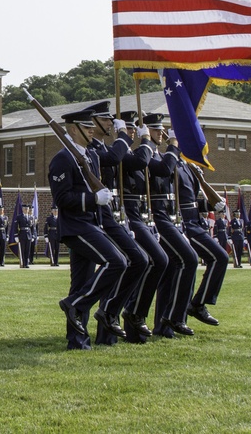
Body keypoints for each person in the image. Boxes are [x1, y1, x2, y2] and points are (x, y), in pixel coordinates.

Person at [48, 102, 132, 350]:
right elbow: (62, 199)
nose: (92, 130)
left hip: (91, 224)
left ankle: (77, 341)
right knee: (117, 262)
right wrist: (93, 199)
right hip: (75, 227)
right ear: (73, 130)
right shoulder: (62, 159)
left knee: (81, 282)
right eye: (86, 126)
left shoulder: (91, 155)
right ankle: (77, 304)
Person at [97, 109, 158, 344]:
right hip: (115, 214)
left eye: (135, 128)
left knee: (137, 264)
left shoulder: (122, 150)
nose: (132, 132)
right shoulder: (118, 151)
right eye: (129, 128)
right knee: (124, 265)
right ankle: (111, 325)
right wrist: (145, 140)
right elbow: (141, 161)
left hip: (130, 214)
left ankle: (122, 321)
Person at [148, 127, 199, 338]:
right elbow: (163, 169)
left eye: (162, 130)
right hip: (156, 218)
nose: (161, 133)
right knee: (188, 259)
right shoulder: (146, 156)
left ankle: (164, 325)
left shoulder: (161, 155)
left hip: (170, 217)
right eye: (155, 129)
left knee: (171, 270)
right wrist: (173, 147)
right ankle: (174, 316)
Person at [179, 160, 229, 328]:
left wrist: (210, 204)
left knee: (219, 258)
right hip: (185, 225)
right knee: (218, 258)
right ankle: (196, 305)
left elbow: (192, 201)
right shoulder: (175, 165)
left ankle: (193, 307)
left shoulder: (188, 167)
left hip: (195, 224)